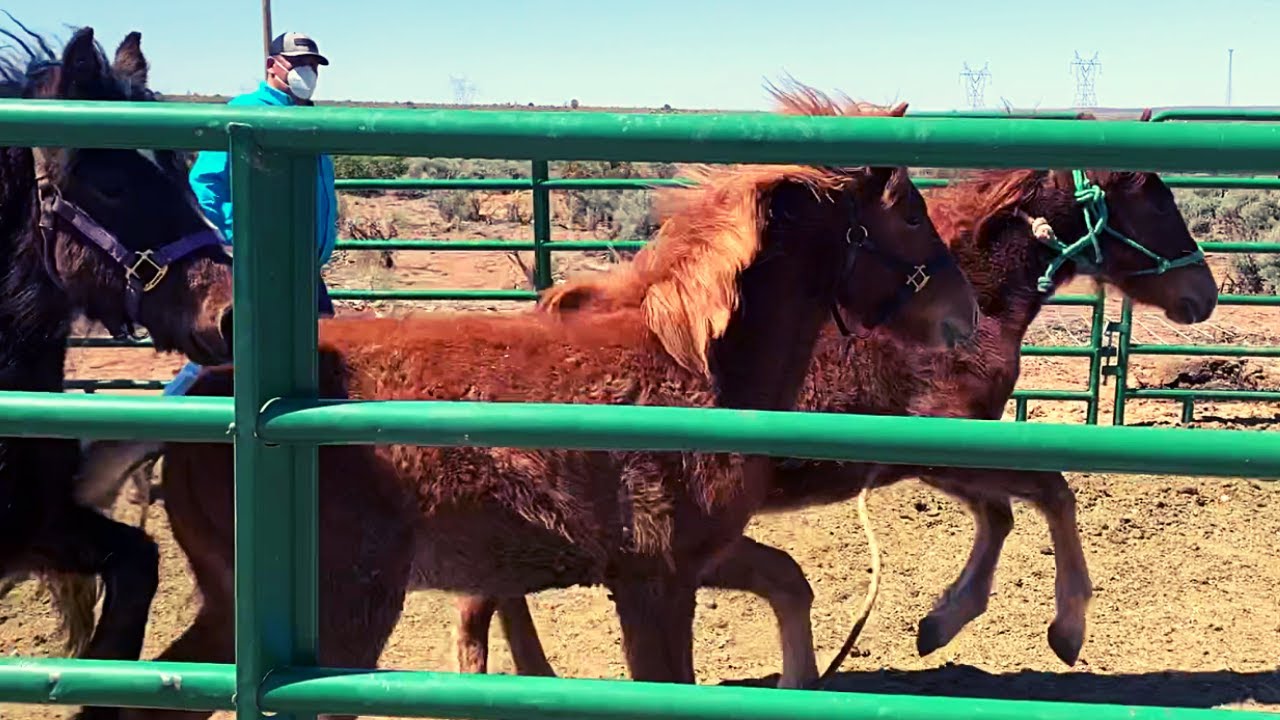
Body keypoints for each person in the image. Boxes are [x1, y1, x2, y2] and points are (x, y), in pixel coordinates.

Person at [167, 31, 338, 397]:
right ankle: (161, 423)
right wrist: (247, 237)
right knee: (229, 349)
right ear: (272, 65)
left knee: (320, 350)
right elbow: (206, 183)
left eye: (313, 65)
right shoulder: (248, 112)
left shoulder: (311, 119)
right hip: (265, 265)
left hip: (305, 267)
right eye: (298, 63)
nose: (307, 72)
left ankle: (299, 437)